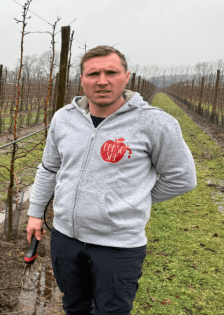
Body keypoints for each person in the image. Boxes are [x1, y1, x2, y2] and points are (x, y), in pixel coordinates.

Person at [26, 45, 197, 315]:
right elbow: (49, 168)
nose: (102, 80)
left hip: (118, 246)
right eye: (93, 73)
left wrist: (130, 198)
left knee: (111, 311)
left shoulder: (154, 123)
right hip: (65, 239)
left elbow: (182, 178)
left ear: (126, 76)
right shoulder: (63, 119)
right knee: (73, 306)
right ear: (82, 79)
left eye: (111, 72)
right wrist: (35, 213)